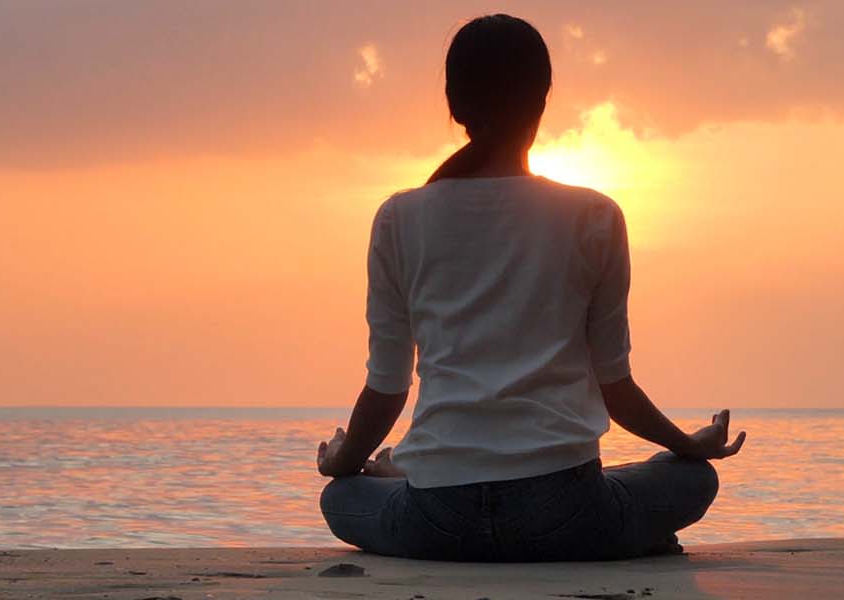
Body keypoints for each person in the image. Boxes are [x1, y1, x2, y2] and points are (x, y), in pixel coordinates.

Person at [315, 13, 747, 562]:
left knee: (342, 498)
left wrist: (345, 461)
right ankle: (623, 535)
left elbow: (387, 388)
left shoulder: (398, 218)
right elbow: (616, 388)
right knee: (691, 480)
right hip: (568, 512)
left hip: (437, 520)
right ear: (543, 100)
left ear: (454, 105)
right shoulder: (594, 215)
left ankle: (400, 469)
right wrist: (690, 446)